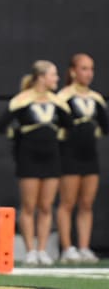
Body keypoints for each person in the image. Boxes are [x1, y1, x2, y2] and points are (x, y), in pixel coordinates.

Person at [0, 60, 73, 266]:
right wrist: (18, 136)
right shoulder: (22, 100)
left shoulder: (57, 102)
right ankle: (30, 250)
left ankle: (42, 250)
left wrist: (56, 138)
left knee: (46, 206)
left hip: (51, 158)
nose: (56, 79)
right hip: (28, 158)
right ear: (41, 77)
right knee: (29, 206)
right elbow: (1, 125)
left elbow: (69, 125)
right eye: (53, 75)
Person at [56, 54, 107, 264]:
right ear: (73, 71)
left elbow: (104, 127)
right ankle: (68, 248)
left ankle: (84, 247)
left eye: (91, 69)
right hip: (69, 155)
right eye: (84, 69)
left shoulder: (96, 99)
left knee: (86, 204)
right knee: (68, 203)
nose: (88, 73)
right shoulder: (63, 97)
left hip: (90, 156)